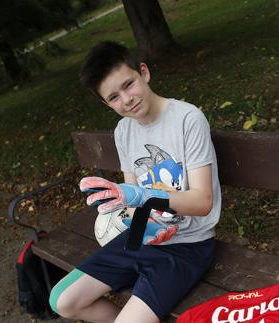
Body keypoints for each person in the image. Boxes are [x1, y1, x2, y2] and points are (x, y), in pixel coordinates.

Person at [48, 41, 222, 323]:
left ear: (144, 72)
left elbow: (202, 202)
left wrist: (142, 197)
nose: (126, 99)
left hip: (188, 246)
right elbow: (131, 203)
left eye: (128, 84)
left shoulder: (187, 119)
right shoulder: (123, 131)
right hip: (142, 237)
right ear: (106, 103)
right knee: (62, 301)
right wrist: (143, 228)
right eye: (114, 97)